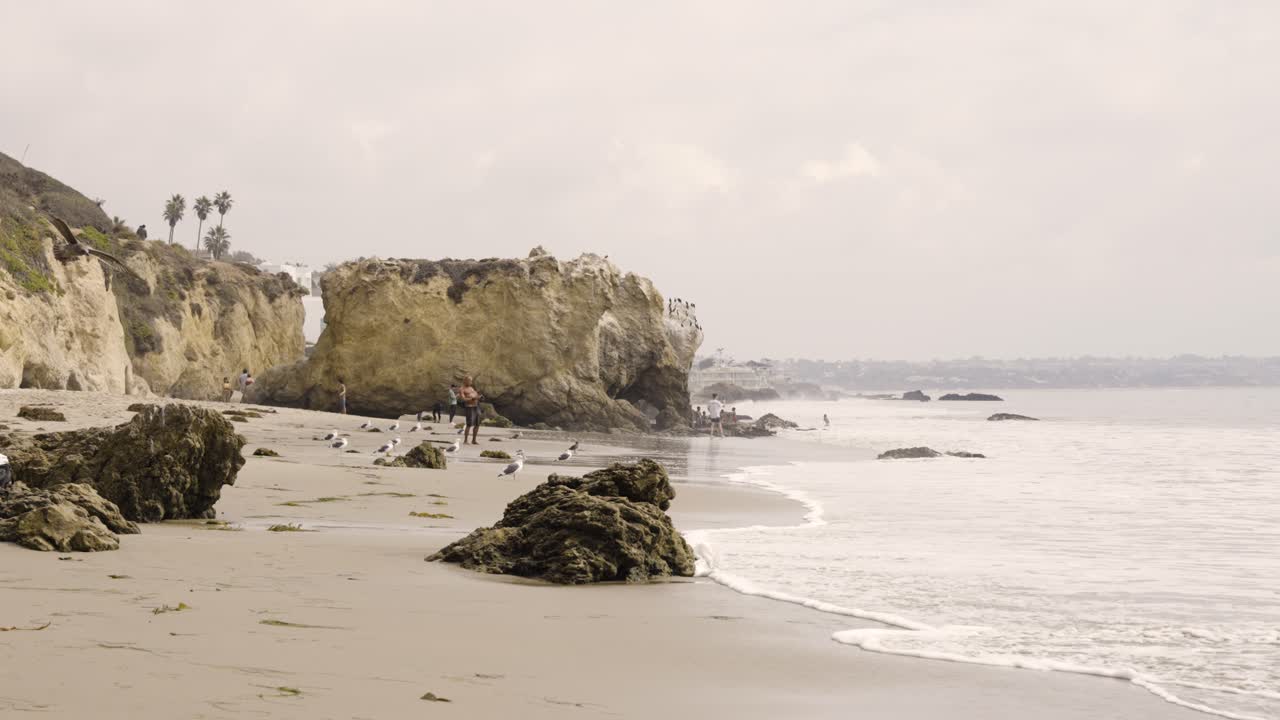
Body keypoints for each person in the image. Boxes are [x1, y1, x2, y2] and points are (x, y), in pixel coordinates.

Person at [458, 376, 482, 445]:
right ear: (465, 381)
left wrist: (479, 398)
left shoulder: (471, 388)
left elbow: (476, 396)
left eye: (471, 381)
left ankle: (474, 440)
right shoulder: (462, 389)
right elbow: (463, 399)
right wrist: (472, 399)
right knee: (469, 424)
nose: (471, 382)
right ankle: (465, 440)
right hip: (469, 407)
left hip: (476, 406)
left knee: (477, 424)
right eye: (469, 380)